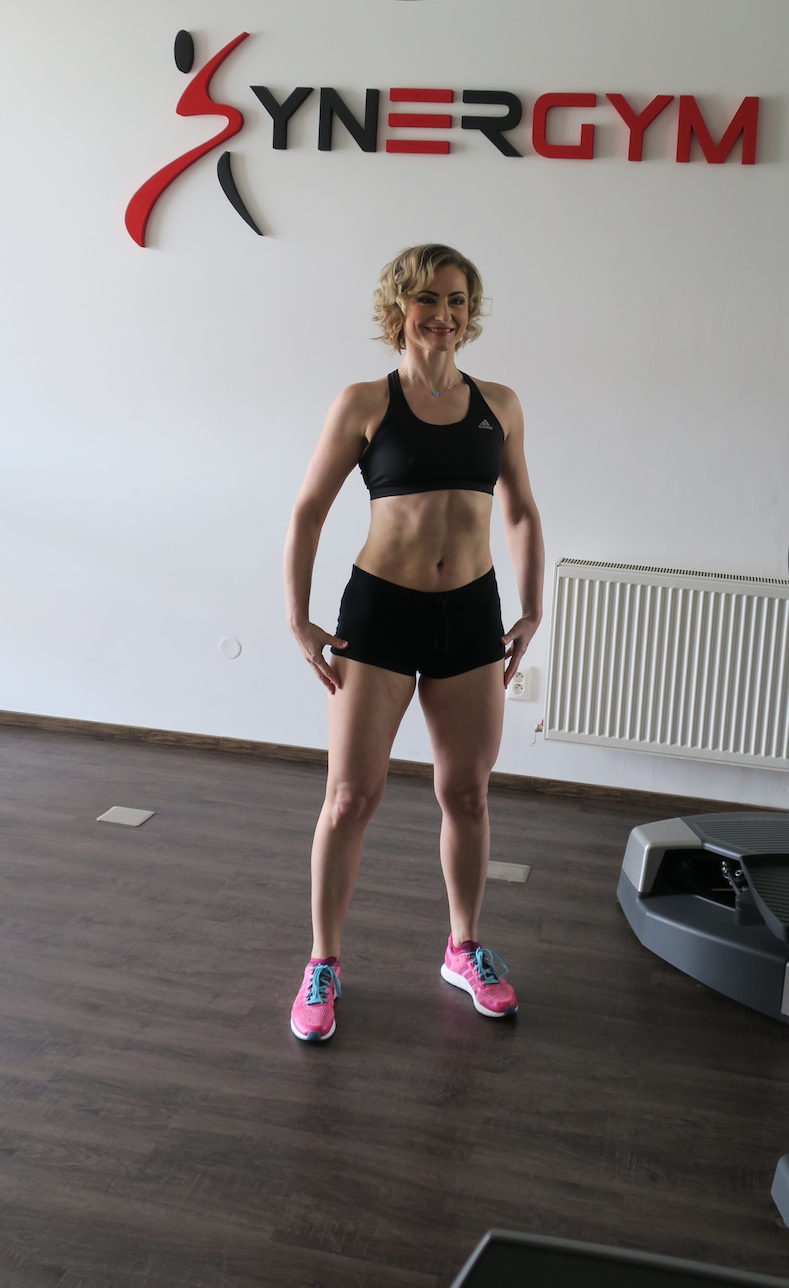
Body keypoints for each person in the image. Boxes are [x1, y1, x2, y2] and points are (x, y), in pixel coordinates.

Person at [283, 244, 544, 1043]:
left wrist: (532, 608)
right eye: (428, 299)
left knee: (466, 793)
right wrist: (298, 617)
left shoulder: (499, 404)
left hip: (470, 613)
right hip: (382, 614)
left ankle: (464, 948)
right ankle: (323, 962)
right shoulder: (365, 402)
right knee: (350, 797)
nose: (444, 314)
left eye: (458, 300)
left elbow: (520, 510)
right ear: (399, 307)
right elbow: (309, 511)